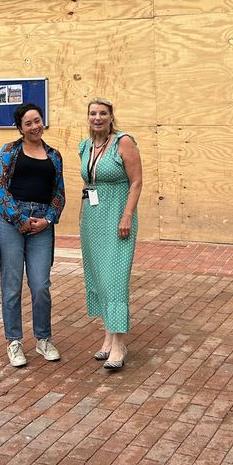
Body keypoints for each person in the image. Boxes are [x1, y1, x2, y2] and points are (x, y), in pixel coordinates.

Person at [0, 102, 65, 368]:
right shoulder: (9, 151)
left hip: (42, 224)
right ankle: (14, 342)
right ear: (20, 128)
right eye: (28, 123)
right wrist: (19, 219)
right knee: (11, 285)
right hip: (12, 223)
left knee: (41, 285)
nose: (35, 126)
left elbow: (59, 194)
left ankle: (43, 339)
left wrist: (48, 220)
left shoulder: (54, 156)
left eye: (38, 120)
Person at [79, 97, 142, 370]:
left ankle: (119, 345)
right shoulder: (85, 146)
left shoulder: (123, 142)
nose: (97, 118)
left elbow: (137, 181)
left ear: (111, 116)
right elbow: (87, 181)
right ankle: (108, 337)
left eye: (102, 113)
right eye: (93, 113)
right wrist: (81, 214)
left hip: (118, 218)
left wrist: (127, 215)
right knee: (99, 278)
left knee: (115, 279)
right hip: (92, 220)